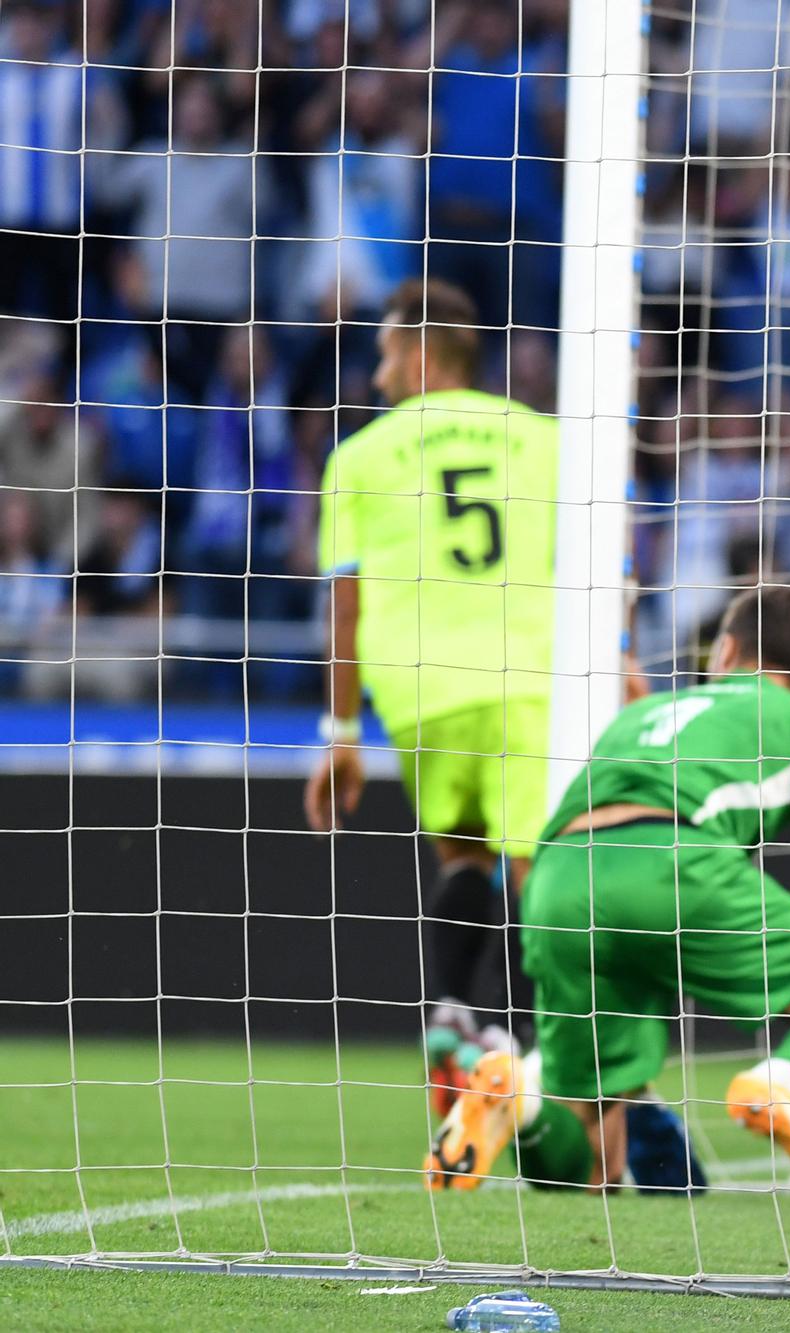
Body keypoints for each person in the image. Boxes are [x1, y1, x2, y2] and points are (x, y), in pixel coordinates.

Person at [426, 586, 790, 1196]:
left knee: (594, 1160)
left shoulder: (641, 715)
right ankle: (775, 1086)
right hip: (674, 865)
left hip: (560, 879)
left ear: (725, 650)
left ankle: (517, 1102)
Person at [305, 278, 558, 1100]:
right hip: (530, 680)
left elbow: (345, 604)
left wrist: (340, 734)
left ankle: (450, 1012)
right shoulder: (544, 440)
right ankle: (514, 1057)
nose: (376, 378)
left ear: (418, 353)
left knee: (461, 850)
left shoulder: (360, 457)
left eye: (383, 357)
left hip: (420, 690)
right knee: (531, 868)